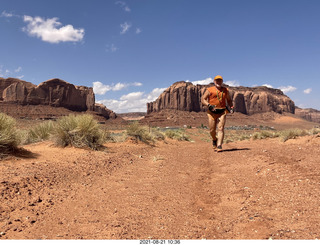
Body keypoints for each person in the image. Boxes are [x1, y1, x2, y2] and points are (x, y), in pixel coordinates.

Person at [201, 75, 234, 152]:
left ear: (222, 81)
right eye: (217, 80)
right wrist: (209, 105)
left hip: (222, 111)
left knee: (221, 128)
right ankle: (214, 139)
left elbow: (229, 100)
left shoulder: (226, 90)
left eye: (220, 80)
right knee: (212, 130)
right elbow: (203, 99)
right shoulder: (209, 90)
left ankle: (219, 145)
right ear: (214, 81)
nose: (218, 82)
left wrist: (231, 107)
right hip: (211, 112)